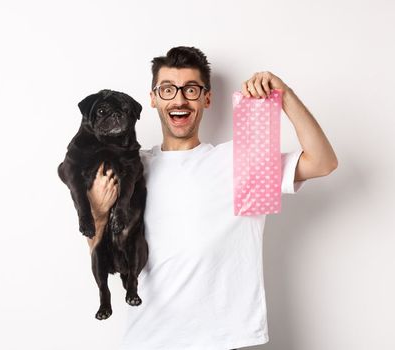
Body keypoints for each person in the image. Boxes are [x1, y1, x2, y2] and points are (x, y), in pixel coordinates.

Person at [85, 46, 338, 350]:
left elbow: (323, 162)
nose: (179, 99)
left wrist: (286, 96)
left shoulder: (241, 160)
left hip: (219, 340)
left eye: (191, 89)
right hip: (147, 340)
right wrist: (99, 212)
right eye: (167, 89)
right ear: (153, 99)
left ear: (207, 98)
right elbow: (104, 254)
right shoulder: (129, 168)